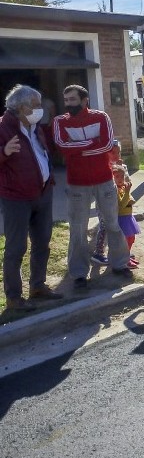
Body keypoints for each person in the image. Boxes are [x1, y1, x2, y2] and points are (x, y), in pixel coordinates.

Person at [53, 85, 132, 289]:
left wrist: (78, 148)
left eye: (72, 99)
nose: (68, 103)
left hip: (104, 180)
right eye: (66, 100)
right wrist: (90, 143)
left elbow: (107, 145)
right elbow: (62, 147)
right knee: (78, 228)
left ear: (84, 99)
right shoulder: (60, 121)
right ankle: (79, 273)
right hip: (77, 183)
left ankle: (120, 264)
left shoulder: (100, 117)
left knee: (112, 223)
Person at [0, 84, 62, 311]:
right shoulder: (3, 128)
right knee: (16, 248)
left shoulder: (34, 126)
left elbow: (42, 154)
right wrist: (4, 152)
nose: (40, 109)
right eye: (36, 105)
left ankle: (38, 286)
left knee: (42, 242)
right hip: (16, 197)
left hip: (43, 193)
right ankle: (14, 298)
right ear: (21, 107)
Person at [91, 139, 126, 266]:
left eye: (118, 153)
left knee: (116, 226)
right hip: (103, 203)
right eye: (113, 153)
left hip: (118, 203)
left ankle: (118, 251)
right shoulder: (103, 168)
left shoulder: (121, 166)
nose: (116, 156)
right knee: (104, 226)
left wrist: (122, 170)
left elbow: (123, 182)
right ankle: (98, 253)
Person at [113, 164, 140, 269]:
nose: (120, 179)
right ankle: (124, 259)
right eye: (117, 177)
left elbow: (132, 200)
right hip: (122, 218)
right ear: (113, 178)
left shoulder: (123, 187)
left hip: (128, 217)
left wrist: (128, 193)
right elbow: (121, 205)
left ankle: (127, 255)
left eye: (122, 176)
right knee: (125, 240)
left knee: (131, 238)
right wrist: (127, 193)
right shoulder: (115, 190)